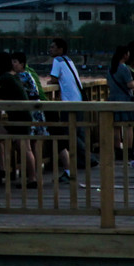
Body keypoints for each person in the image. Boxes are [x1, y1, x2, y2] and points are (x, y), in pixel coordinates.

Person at [0, 51, 39, 186]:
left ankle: (32, 179)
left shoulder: (6, 78)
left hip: (20, 117)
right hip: (19, 116)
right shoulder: (14, 76)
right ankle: (2, 169)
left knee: (25, 148)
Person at [47, 36, 91, 178]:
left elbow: (53, 79)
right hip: (78, 99)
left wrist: (51, 83)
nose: (51, 49)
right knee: (78, 132)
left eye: (53, 47)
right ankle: (83, 159)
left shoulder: (57, 60)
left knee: (68, 131)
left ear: (60, 49)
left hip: (68, 102)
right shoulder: (69, 60)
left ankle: (89, 158)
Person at [108, 45, 134, 163]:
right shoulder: (124, 68)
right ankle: (129, 151)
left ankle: (117, 150)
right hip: (124, 99)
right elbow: (130, 85)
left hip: (112, 98)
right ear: (125, 55)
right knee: (128, 126)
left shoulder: (111, 68)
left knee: (115, 127)